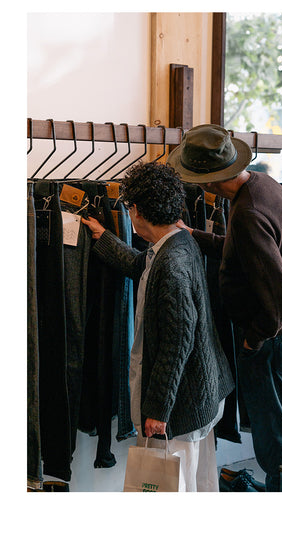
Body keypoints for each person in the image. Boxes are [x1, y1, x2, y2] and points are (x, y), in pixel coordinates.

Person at [168, 123, 282, 491]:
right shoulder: (262, 186)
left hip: (275, 339)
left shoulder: (248, 211)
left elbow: (279, 299)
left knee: (275, 443)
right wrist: (196, 236)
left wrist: (253, 341)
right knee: (276, 431)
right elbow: (243, 253)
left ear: (209, 181)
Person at [81, 161, 233, 492]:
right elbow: (142, 267)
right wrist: (104, 237)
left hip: (182, 404)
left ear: (136, 210)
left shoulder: (173, 262)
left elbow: (177, 342)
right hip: (201, 391)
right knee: (198, 481)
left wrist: (158, 411)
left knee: (174, 490)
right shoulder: (175, 242)